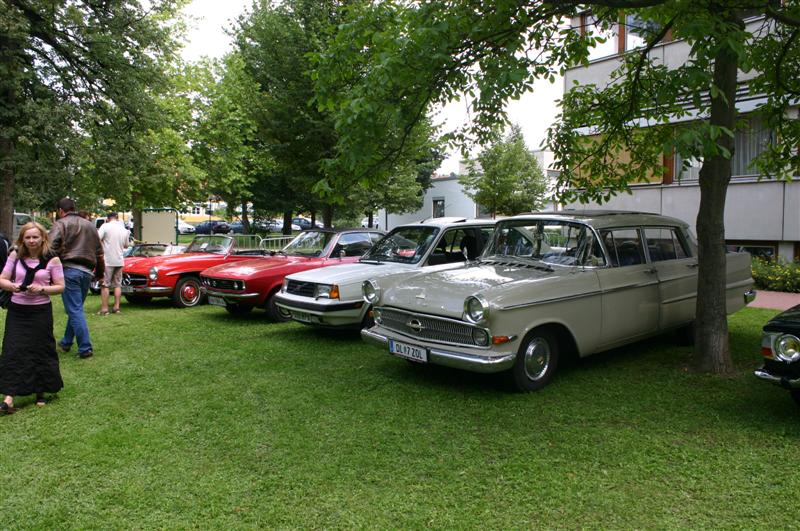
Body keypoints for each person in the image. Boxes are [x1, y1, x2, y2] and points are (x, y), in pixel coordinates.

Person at [0, 222, 65, 413]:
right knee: (13, 350)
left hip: (40, 312)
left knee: (40, 349)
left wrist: (43, 289)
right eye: (27, 237)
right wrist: (11, 286)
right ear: (22, 239)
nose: (31, 241)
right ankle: (9, 397)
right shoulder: (15, 255)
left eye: (35, 237)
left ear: (43, 238)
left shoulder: (52, 260)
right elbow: (2, 279)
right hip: (17, 312)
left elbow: (61, 286)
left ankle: (40, 391)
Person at [49, 198, 105, 359]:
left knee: (74, 310)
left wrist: (47, 268)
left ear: (60, 210)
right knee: (76, 309)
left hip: (69, 270)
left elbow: (50, 247)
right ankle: (66, 342)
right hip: (87, 272)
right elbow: (99, 253)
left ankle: (85, 348)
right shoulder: (90, 225)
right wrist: (99, 274)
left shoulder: (60, 224)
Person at [97, 212, 129, 315]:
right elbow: (126, 246)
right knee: (117, 285)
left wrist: (103, 244)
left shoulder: (105, 226)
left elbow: (97, 239)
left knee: (105, 285)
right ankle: (116, 307)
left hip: (107, 260)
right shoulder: (124, 230)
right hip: (119, 260)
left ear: (108, 218)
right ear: (117, 218)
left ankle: (105, 309)